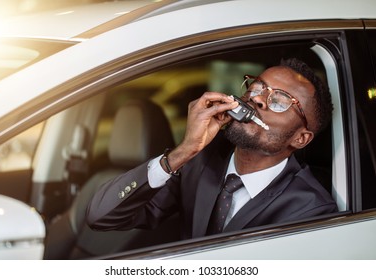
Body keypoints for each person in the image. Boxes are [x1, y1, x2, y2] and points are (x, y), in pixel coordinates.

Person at [86, 58, 338, 240]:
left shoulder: (311, 211)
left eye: (281, 101)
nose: (258, 98)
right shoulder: (199, 162)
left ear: (301, 139)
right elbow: (101, 217)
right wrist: (182, 152)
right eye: (258, 87)